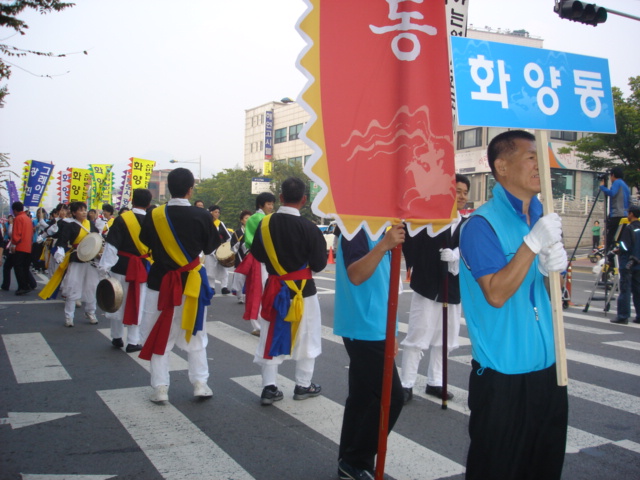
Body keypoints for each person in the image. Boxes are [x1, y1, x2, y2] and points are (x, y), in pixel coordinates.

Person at [459, 130, 569, 480]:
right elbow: (495, 293)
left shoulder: (543, 215)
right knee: (498, 470)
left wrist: (553, 271)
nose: (542, 164)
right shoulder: (481, 225)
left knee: (544, 468)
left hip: (549, 372)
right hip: (502, 379)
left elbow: (548, 300)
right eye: (532, 156)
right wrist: (532, 244)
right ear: (502, 166)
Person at [137, 168, 218, 403]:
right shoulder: (203, 216)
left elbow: (145, 242)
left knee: (159, 332)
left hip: (160, 282)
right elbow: (211, 247)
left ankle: (160, 387)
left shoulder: (154, 215)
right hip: (191, 282)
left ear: (169, 188)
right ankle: (200, 383)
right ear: (190, 189)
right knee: (195, 332)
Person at [334, 223, 405, 480]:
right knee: (393, 397)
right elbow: (356, 274)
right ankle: (355, 460)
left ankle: (348, 460)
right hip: (363, 326)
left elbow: (385, 284)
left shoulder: (378, 230)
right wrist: (386, 244)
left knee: (362, 398)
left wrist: (393, 331)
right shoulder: (355, 230)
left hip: (376, 325)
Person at [250, 177, 327, 405]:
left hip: (275, 288)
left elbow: (258, 254)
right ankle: (303, 385)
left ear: (280, 197)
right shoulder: (311, 228)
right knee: (307, 337)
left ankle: (269, 387)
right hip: (304, 291)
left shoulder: (265, 224)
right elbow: (320, 264)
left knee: (270, 334)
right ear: (304, 200)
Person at [400, 174, 470, 403]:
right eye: (457, 191)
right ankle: (407, 382)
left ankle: (436, 381)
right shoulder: (429, 221)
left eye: (464, 192)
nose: (461, 196)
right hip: (427, 286)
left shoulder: (469, 225)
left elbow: (475, 255)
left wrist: (457, 256)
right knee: (418, 334)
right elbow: (411, 244)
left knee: (445, 338)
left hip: (453, 288)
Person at [99, 189, 153, 351]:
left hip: (120, 266)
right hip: (142, 268)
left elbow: (111, 245)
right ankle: (133, 340)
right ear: (149, 204)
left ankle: (116, 337)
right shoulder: (153, 221)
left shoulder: (122, 219)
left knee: (116, 300)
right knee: (138, 302)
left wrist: (104, 267)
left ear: (132, 201)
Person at [40, 201, 101, 327]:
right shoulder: (70, 225)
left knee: (92, 286)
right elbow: (62, 241)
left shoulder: (91, 224)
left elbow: (98, 239)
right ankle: (69, 316)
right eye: (80, 210)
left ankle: (90, 312)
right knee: (73, 286)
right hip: (76, 257)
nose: (84, 212)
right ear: (73, 213)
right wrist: (60, 252)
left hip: (91, 259)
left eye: (85, 209)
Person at [235, 191, 276, 336]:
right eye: (269, 204)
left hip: (265, 258)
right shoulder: (256, 218)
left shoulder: (265, 217)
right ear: (261, 205)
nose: (271, 206)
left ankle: (262, 323)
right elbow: (254, 240)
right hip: (259, 258)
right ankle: (259, 325)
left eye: (272, 204)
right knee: (259, 290)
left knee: (263, 290)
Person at [611, 205, 640, 324]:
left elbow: (624, 246)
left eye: (628, 213)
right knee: (638, 290)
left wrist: (618, 249)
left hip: (627, 262)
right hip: (638, 263)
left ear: (632, 214)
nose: (627, 215)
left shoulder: (629, 228)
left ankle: (623, 315)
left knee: (625, 290)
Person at [600, 166, 630, 251]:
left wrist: (602, 187)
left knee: (610, 236)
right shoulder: (625, 185)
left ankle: (609, 252)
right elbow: (630, 200)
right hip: (625, 215)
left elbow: (612, 193)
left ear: (613, 175)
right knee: (620, 237)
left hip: (616, 214)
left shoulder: (616, 183)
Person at [205, 204, 232, 295]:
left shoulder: (220, 223)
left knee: (224, 268)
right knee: (210, 269)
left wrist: (228, 248)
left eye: (218, 212)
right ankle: (211, 287)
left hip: (220, 249)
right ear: (210, 212)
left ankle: (224, 287)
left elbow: (227, 237)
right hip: (210, 250)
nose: (217, 214)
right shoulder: (206, 224)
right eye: (215, 212)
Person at [11, 202, 34, 295]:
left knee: (18, 268)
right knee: (25, 267)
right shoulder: (28, 218)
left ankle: (23, 286)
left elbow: (16, 234)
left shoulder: (18, 218)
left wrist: (13, 244)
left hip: (20, 246)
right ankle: (27, 285)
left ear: (15, 210)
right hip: (28, 246)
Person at [230, 209, 252, 303]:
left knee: (250, 278)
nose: (248, 220)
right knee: (240, 278)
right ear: (242, 220)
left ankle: (248, 295)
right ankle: (240, 296)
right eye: (246, 218)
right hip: (240, 258)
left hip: (250, 257)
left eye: (250, 218)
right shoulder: (237, 233)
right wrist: (239, 243)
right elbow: (233, 248)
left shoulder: (253, 231)